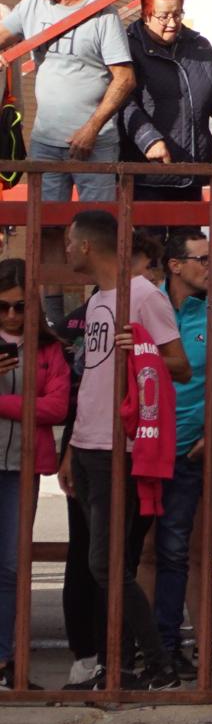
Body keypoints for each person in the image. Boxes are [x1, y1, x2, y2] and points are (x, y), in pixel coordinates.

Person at [63, 210, 191, 691]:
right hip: (90, 445)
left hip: (124, 447)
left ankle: (155, 665)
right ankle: (122, 668)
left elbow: (179, 366)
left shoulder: (143, 294)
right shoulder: (100, 298)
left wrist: (142, 349)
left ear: (89, 247)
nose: (67, 249)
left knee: (107, 564)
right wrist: (72, 448)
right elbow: (93, 380)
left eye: (72, 242)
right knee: (106, 564)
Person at [0, 0, 135, 205]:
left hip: (93, 145)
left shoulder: (102, 15)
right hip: (45, 143)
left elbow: (125, 78)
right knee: (45, 226)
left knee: (96, 226)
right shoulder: (31, 6)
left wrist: (92, 129)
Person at [0, 258, 71, 691]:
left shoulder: (48, 348)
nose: (11, 315)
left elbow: (56, 409)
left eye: (20, 306)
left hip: (21, 466)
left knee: (11, 566)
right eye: (3, 306)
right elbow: (41, 407)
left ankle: (7, 659)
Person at [119, 0, 212, 205]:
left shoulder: (200, 46)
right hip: (146, 177)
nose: (172, 22)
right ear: (146, 15)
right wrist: (148, 140)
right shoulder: (127, 48)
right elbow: (124, 104)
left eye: (177, 14)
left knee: (189, 241)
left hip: (192, 173)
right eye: (163, 16)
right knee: (147, 241)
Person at [150, 229, 212, 678]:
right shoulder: (143, 305)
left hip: (186, 448)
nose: (210, 267)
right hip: (142, 445)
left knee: (178, 550)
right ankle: (142, 645)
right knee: (140, 550)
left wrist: (211, 434)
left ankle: (169, 647)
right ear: (175, 265)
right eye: (202, 259)